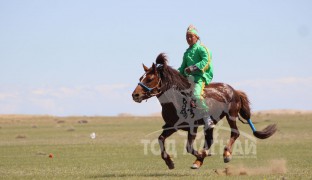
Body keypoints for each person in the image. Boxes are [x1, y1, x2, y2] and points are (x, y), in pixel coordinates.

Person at [178, 25, 215, 129]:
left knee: (196, 95)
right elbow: (182, 68)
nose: (189, 39)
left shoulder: (201, 48)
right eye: (187, 37)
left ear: (197, 37)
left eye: (191, 36)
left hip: (200, 77)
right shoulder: (186, 53)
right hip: (188, 78)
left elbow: (206, 61)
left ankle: (208, 118)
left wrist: (193, 68)